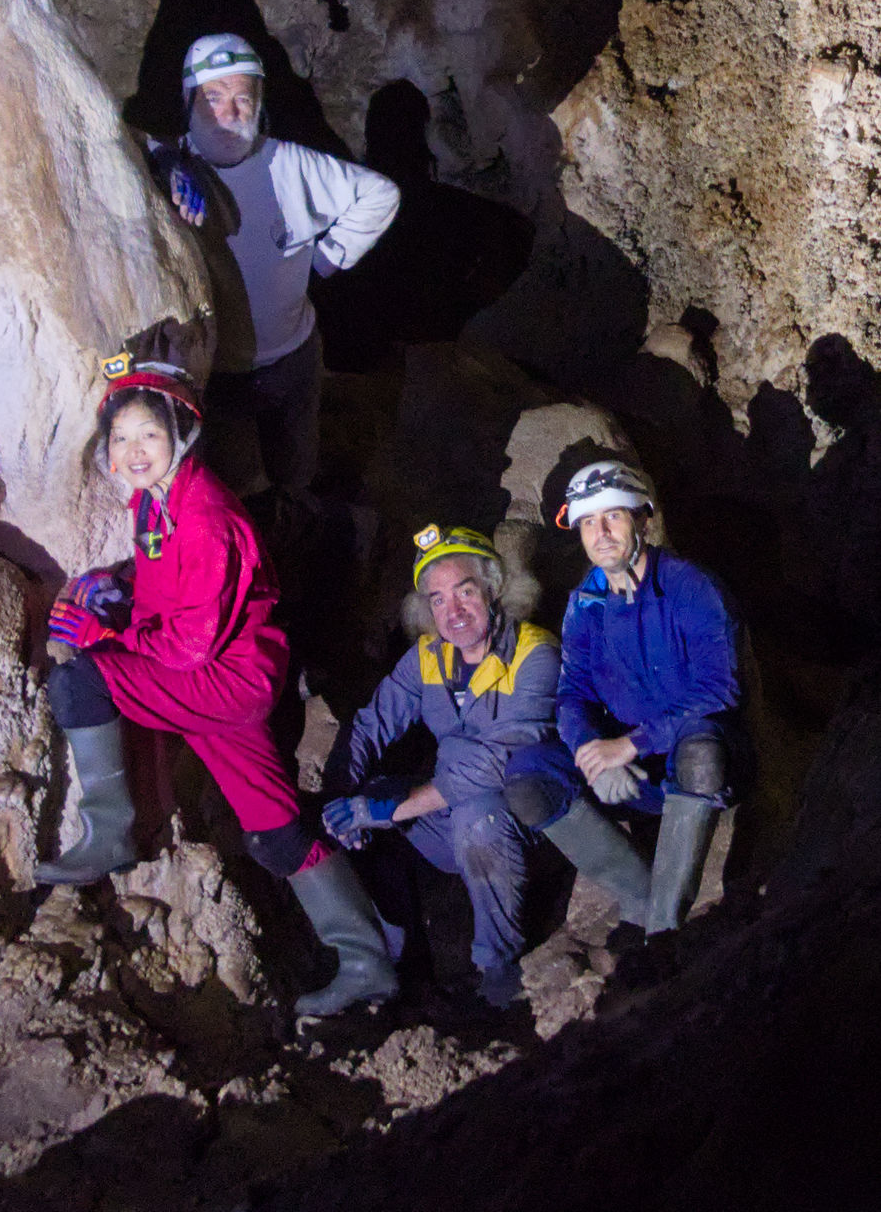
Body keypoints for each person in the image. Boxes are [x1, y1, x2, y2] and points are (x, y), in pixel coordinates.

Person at [38, 353, 398, 1018]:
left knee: (82, 682)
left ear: (181, 430)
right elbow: (168, 587)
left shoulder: (201, 515)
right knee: (273, 834)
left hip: (216, 677)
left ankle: (110, 831)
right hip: (223, 687)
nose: (134, 449)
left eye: (148, 433)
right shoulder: (157, 504)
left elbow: (187, 642)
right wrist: (116, 581)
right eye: (121, 438)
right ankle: (366, 961)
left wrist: (104, 637)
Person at [502, 461, 747, 936]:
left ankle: (663, 926)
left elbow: (720, 690)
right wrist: (590, 751)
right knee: (527, 778)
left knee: (700, 750)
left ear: (643, 520)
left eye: (613, 516)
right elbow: (572, 694)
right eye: (589, 522)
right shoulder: (585, 602)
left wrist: (631, 744)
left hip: (692, 758)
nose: (601, 532)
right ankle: (639, 895)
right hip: (628, 774)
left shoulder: (690, 588)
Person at [322, 526, 560, 1007]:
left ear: (494, 590)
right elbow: (372, 724)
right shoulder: (430, 656)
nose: (453, 612)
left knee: (477, 816)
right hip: (451, 814)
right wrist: (342, 800)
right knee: (366, 812)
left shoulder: (537, 654)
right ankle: (401, 965)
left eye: (465, 592)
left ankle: (498, 967)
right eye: (437, 599)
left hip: (526, 819)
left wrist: (390, 807)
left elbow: (495, 763)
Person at [157, 33, 399, 498]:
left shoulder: (291, 164)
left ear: (259, 104)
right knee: (228, 479)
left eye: (241, 98)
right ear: (188, 102)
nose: (229, 114)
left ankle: (298, 514)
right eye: (212, 98)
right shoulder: (171, 171)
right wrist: (165, 159)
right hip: (216, 371)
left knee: (295, 466)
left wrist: (327, 260)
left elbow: (379, 194)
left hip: (292, 357)